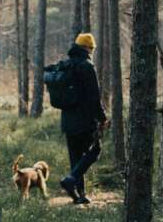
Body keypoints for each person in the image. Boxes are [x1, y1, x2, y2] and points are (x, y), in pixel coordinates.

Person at [59, 33, 109, 205]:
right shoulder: (87, 66)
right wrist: (102, 117)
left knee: (76, 156)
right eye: (92, 48)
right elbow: (94, 97)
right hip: (85, 120)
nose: (92, 51)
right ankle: (71, 179)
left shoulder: (66, 65)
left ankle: (79, 194)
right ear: (87, 48)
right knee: (94, 151)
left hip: (67, 121)